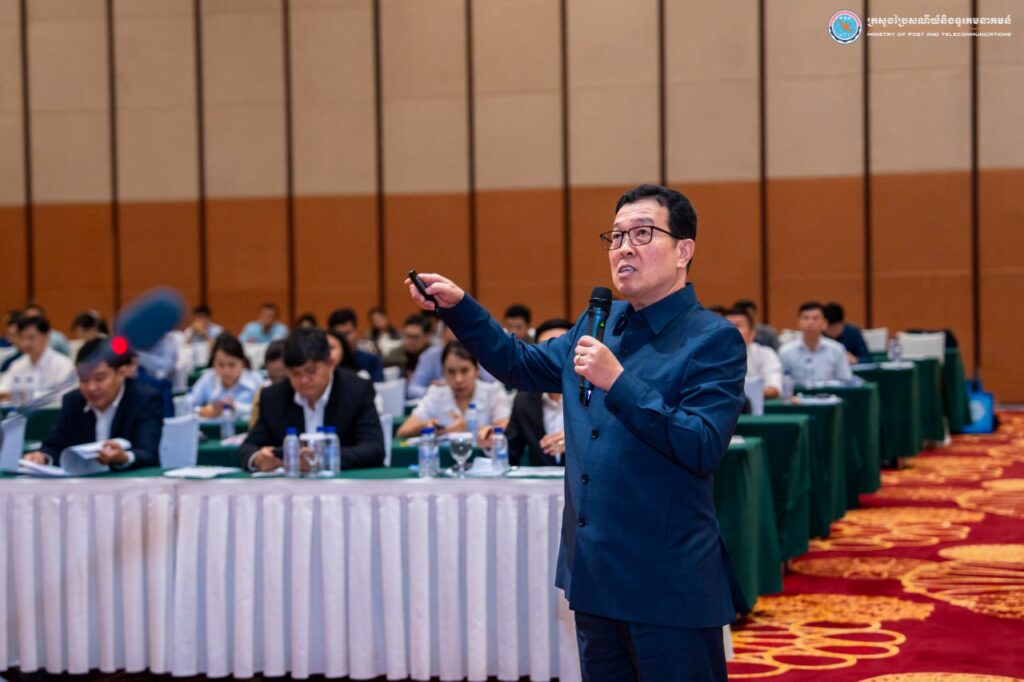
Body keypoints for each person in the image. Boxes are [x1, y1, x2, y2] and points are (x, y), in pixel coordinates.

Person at [405, 184, 747, 681]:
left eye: (643, 234)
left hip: (667, 582)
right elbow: (520, 365)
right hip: (595, 576)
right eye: (616, 236)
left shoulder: (712, 339)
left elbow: (702, 445)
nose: (624, 248)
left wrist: (618, 382)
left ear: (683, 251)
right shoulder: (599, 323)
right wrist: (459, 307)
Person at [238, 328, 385, 471]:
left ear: (330, 363)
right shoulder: (273, 397)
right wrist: (258, 459)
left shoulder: (357, 390)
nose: (304, 380)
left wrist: (320, 458)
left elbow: (374, 449)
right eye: (295, 373)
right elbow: (247, 447)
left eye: (311, 371)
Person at [21, 338, 164, 470]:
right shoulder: (73, 401)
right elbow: (55, 445)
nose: (91, 388)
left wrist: (123, 457)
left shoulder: (144, 399)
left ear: (121, 373)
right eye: (84, 379)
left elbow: (147, 451)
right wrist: (43, 458)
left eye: (99, 378)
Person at [395, 341, 511, 442]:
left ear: (476, 370)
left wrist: (470, 430)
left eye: (464, 371)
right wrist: (425, 426)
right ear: (443, 372)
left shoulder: (493, 392)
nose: (458, 379)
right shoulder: (436, 394)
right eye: (451, 372)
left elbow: (505, 428)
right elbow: (402, 431)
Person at [505, 318, 573, 466]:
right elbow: (510, 452)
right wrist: (493, 442)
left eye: (561, 349)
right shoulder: (524, 400)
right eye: (546, 351)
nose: (553, 359)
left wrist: (576, 443)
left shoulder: (597, 398)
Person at [0, 315, 77, 407]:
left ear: (45, 337)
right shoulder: (17, 365)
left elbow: (67, 395)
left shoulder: (63, 364)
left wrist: (28, 396)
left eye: (31, 338)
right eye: (22, 338)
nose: (25, 343)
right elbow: (3, 389)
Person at [407, 321, 496, 399]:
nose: (453, 350)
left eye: (459, 344)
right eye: (450, 343)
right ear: (442, 337)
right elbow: (413, 388)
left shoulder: (479, 353)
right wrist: (436, 391)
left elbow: (492, 383)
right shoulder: (429, 356)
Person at [188, 333, 263, 419]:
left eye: (232, 365)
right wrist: (202, 411)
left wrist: (237, 407)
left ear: (243, 363)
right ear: (214, 363)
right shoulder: (207, 379)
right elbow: (187, 406)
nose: (226, 371)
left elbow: (265, 409)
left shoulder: (255, 379)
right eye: (221, 365)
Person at [779, 301, 854, 383]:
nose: (810, 322)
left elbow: (846, 381)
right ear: (799, 322)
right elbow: (782, 382)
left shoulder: (837, 350)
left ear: (824, 323)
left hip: (829, 391)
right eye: (806, 318)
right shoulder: (785, 351)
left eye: (815, 318)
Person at [724, 306, 782, 398]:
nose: (732, 330)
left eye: (738, 325)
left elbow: (773, 388)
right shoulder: (712, 356)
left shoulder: (766, 354)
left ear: (752, 333)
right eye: (728, 325)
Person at [328, 308, 385, 381]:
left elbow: (379, 386)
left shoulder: (371, 360)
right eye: (339, 335)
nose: (343, 339)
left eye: (347, 333)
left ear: (356, 332)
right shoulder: (328, 363)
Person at [249, 339, 287, 429]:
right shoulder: (262, 394)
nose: (278, 385)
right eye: (273, 378)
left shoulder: (302, 394)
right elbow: (253, 428)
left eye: (283, 379)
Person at [384, 314, 433, 381]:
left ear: (427, 336)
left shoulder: (435, 355)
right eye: (407, 336)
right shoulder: (393, 355)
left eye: (415, 337)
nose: (410, 341)